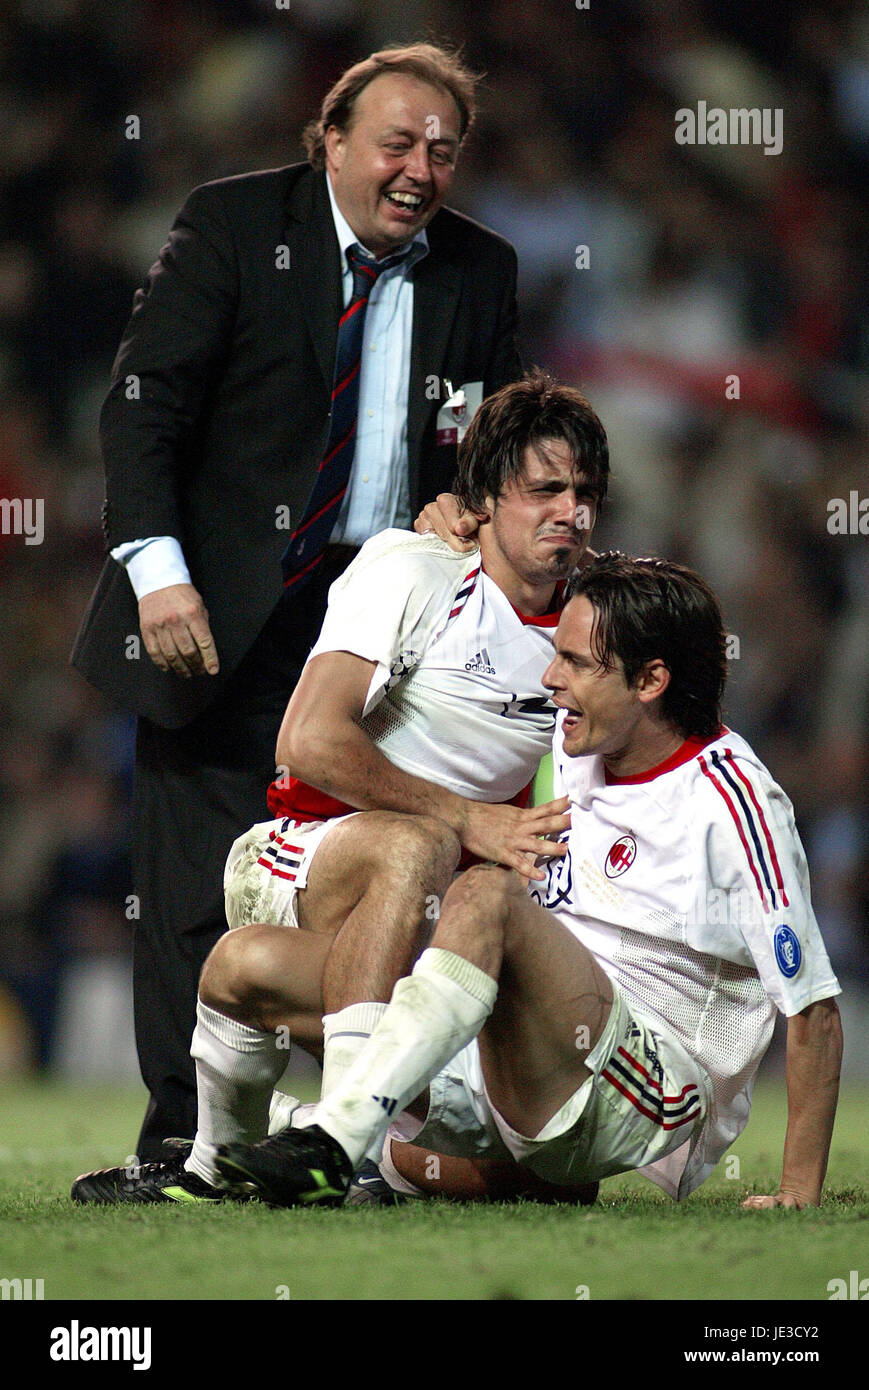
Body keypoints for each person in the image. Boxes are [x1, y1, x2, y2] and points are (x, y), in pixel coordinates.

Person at [70, 43, 523, 1160]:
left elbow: (491, 436)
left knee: (383, 882)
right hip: (217, 618)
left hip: (378, 637)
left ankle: (350, 1137)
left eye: (442, 150)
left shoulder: (481, 269)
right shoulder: (231, 227)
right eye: (395, 141)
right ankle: (185, 1145)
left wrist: (463, 500)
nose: (419, 167)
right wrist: (158, 575)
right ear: (328, 139)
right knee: (190, 890)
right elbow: (141, 409)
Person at [70, 373, 610, 1205]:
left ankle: (216, 1162)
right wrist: (473, 819)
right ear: (484, 497)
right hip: (312, 853)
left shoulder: (599, 619)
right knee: (418, 843)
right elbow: (308, 740)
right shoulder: (412, 570)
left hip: (447, 917)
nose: (568, 510)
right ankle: (345, 1151)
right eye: (543, 490)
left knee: (241, 967)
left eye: (583, 491)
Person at [212, 554, 843, 1210]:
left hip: (639, 1084)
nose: (550, 679)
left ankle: (337, 1140)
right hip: (530, 1058)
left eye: (574, 663)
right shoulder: (577, 752)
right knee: (252, 963)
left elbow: (813, 1010)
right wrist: (464, 528)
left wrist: (796, 1192)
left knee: (488, 895)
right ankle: (230, 1153)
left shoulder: (733, 801)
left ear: (651, 679)